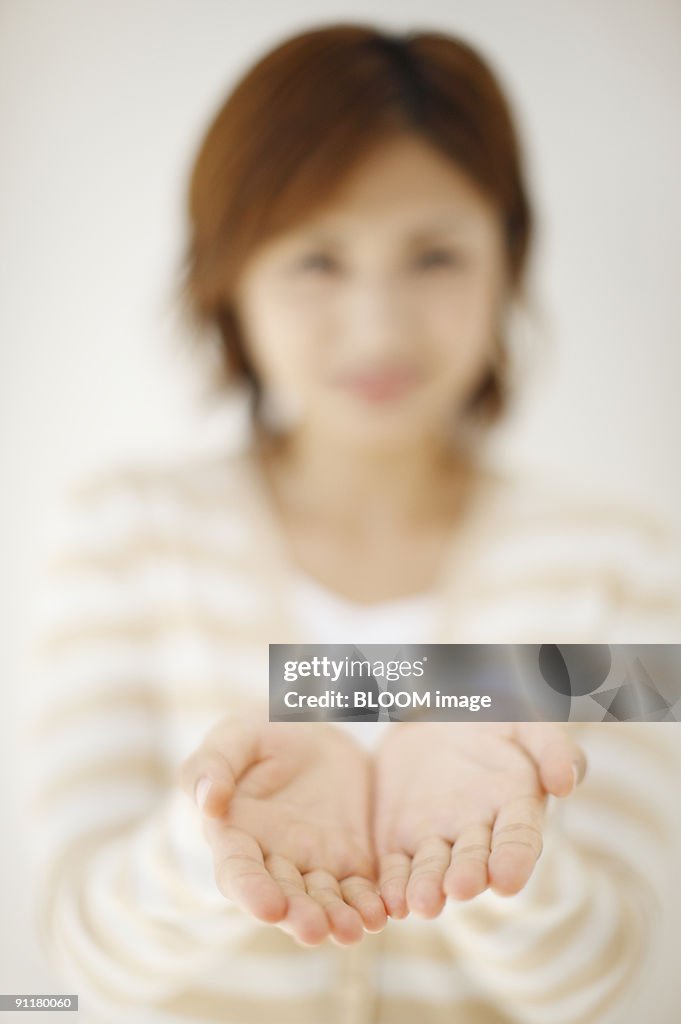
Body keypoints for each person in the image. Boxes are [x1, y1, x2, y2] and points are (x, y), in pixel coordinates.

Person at [23, 22, 680, 1024]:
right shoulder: (126, 533)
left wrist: (509, 856)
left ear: (507, 261)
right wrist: (215, 834)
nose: (379, 325)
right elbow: (75, 954)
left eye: (434, 256)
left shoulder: (627, 559)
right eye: (317, 260)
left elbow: (614, 975)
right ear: (229, 279)